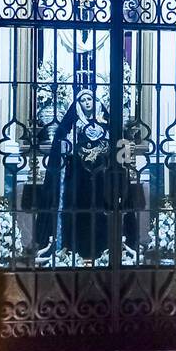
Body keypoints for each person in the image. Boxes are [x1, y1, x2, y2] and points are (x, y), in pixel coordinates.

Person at [33, 89, 113, 263]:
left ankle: (103, 251)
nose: (87, 102)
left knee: (102, 213)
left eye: (89, 99)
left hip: (102, 180)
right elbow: (61, 148)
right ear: (78, 104)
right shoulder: (71, 125)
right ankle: (73, 250)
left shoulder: (106, 123)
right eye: (83, 99)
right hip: (78, 180)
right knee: (79, 213)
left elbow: (117, 146)